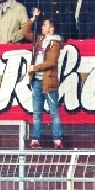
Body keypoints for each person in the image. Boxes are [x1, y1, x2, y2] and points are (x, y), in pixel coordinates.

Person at [21, 14, 65, 149]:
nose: (42, 27)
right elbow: (24, 32)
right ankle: (36, 139)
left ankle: (57, 139)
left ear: (51, 29)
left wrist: (35, 67)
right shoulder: (40, 39)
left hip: (48, 82)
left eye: (45, 25)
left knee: (54, 113)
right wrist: (33, 18)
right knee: (37, 113)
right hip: (36, 81)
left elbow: (51, 62)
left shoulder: (56, 43)